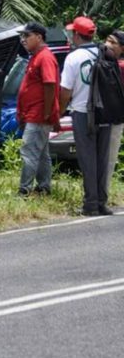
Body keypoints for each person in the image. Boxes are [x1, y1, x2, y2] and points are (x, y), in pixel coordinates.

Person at [59, 16, 112, 216]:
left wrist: (60, 111)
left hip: (82, 113)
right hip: (105, 112)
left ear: (76, 35)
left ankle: (90, 204)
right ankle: (102, 202)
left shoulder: (74, 57)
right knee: (102, 158)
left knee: (87, 159)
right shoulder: (105, 52)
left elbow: (65, 90)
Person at [15, 22, 60, 196]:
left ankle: (24, 190)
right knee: (41, 153)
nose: (23, 40)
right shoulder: (36, 56)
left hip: (38, 114)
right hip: (34, 113)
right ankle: (43, 187)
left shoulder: (45, 57)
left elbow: (50, 84)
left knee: (28, 151)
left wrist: (47, 112)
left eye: (27, 36)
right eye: (22, 36)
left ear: (39, 37)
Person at [105, 29, 124, 195]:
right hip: (102, 117)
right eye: (107, 40)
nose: (108, 45)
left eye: (113, 42)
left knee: (109, 157)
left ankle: (103, 192)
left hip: (115, 118)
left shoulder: (120, 66)